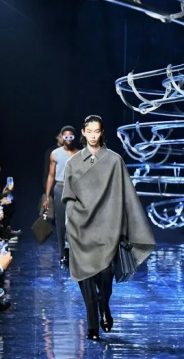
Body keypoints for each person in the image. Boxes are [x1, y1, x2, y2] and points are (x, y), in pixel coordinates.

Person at [61, 114, 156, 340]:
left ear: (102, 132)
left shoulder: (114, 161)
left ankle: (104, 304)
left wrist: (124, 229)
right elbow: (69, 197)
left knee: (105, 274)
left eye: (97, 131)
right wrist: (70, 224)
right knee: (84, 278)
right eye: (89, 131)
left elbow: (126, 197)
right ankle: (92, 326)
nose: (93, 135)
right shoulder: (73, 163)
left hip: (108, 226)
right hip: (80, 227)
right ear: (83, 133)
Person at [43, 125, 80, 265]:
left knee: (75, 222)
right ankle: (63, 253)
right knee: (60, 223)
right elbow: (51, 176)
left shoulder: (80, 154)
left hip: (76, 189)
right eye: (66, 137)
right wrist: (47, 196)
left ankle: (75, 252)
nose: (68, 139)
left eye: (71, 136)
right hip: (60, 188)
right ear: (62, 137)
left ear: (74, 137)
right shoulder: (55, 153)